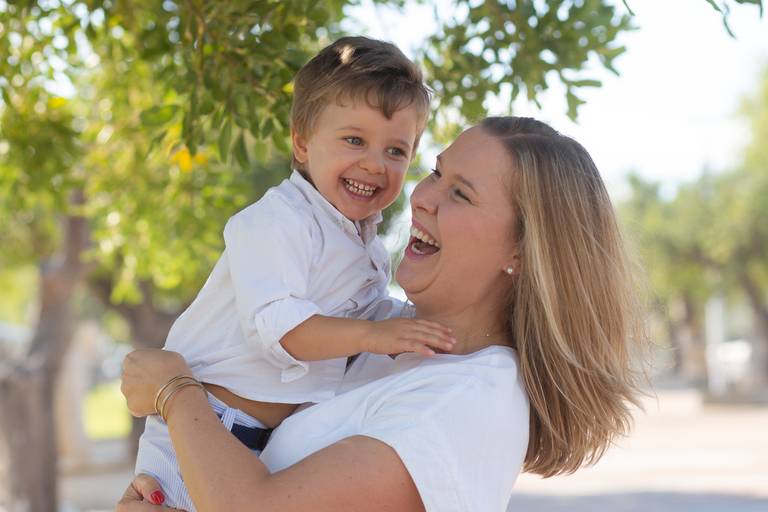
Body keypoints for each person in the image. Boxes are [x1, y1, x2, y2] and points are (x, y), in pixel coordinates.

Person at [120, 116, 648, 511]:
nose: (423, 198)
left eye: (461, 194)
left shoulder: (468, 398)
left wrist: (174, 391)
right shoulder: (381, 338)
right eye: (436, 172)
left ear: (522, 252)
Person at [133, 36, 456, 511]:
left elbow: (365, 322)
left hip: (263, 448)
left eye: (396, 151)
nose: (374, 164)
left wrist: (419, 325)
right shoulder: (276, 221)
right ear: (302, 142)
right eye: (354, 140)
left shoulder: (365, 244)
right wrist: (377, 336)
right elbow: (283, 330)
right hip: (202, 428)